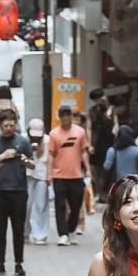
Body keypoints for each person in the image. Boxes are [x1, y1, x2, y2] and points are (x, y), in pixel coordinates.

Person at [0, 111, 33, 276]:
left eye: (12, 125)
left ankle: (19, 263)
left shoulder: (23, 141)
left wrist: (25, 160)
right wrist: (3, 156)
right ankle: (0, 263)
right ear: (0, 125)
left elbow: (33, 164)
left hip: (19, 190)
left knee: (18, 229)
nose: (9, 129)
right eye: (6, 126)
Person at [48, 102, 90, 245]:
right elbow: (51, 155)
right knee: (60, 206)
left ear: (71, 117)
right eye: (63, 116)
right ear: (60, 117)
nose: (66, 119)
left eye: (68, 116)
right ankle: (62, 234)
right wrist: (49, 174)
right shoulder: (54, 134)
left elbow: (84, 151)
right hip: (59, 175)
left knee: (76, 205)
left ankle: (71, 229)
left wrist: (88, 169)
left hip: (76, 175)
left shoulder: (80, 132)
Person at [26, 117, 50, 243]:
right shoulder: (24, 139)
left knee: (41, 206)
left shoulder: (47, 140)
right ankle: (25, 232)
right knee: (26, 206)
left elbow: (50, 158)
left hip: (42, 175)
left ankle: (40, 235)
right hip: (27, 175)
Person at [88, 88, 115, 199]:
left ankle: (107, 191)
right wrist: (89, 144)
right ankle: (98, 192)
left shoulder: (111, 110)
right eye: (96, 100)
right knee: (96, 169)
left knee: (108, 169)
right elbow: (89, 128)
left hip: (109, 141)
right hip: (97, 141)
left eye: (99, 98)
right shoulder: (92, 111)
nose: (98, 101)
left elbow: (116, 125)